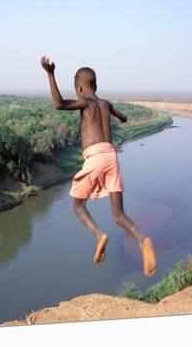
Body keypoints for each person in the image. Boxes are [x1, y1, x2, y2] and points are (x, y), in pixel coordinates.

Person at [40, 55, 157, 277]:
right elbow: (123, 118)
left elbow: (58, 104)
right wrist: (117, 116)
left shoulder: (85, 103)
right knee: (119, 215)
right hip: (112, 157)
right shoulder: (106, 104)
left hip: (94, 157)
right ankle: (142, 241)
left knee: (78, 206)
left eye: (77, 90)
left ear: (81, 89)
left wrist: (50, 74)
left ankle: (99, 235)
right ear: (97, 85)